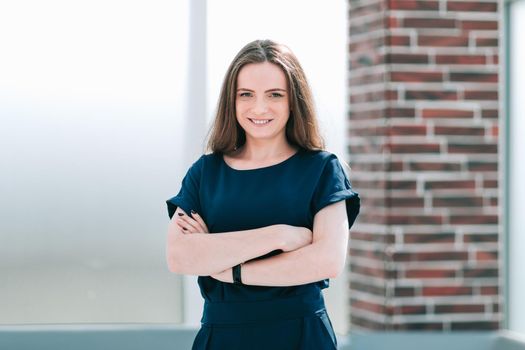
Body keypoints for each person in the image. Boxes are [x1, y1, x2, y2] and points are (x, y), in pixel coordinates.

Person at [165, 39, 360, 350]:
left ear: (293, 101)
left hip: (300, 335)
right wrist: (278, 236)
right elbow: (180, 256)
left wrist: (229, 269)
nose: (259, 108)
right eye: (246, 95)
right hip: (223, 335)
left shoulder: (322, 170)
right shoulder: (206, 173)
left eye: (275, 95)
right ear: (232, 100)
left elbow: (326, 261)